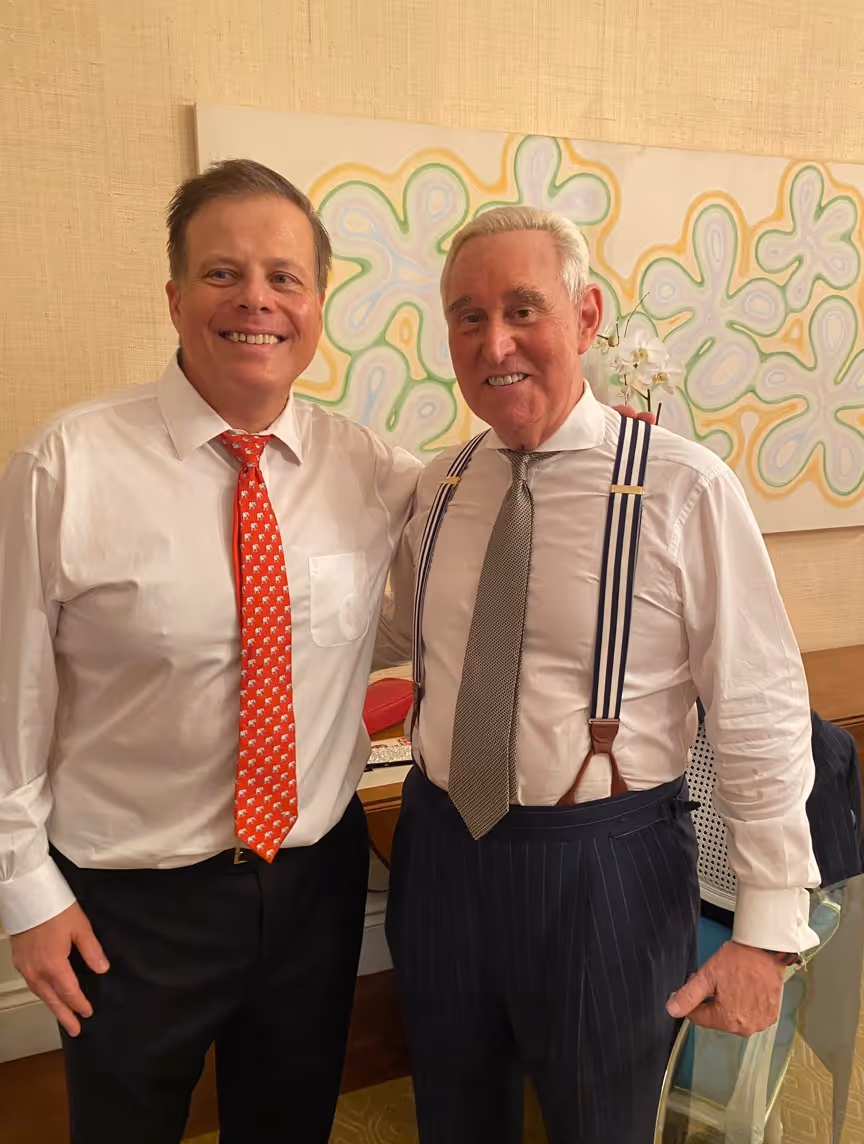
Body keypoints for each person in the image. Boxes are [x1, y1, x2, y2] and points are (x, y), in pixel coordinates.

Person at [377, 206, 820, 1144]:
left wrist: (766, 928)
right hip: (440, 850)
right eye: (467, 316)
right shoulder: (437, 486)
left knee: (600, 1126)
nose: (495, 342)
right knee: (451, 1115)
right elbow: (374, 630)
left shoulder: (684, 487)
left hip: (603, 870)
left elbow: (760, 705)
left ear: (584, 317)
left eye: (523, 309)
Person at [0, 159, 420, 1144]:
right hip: (127, 909)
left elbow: (413, 602)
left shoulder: (370, 469)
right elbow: (9, 704)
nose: (256, 301)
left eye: (284, 276)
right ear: (177, 295)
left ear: (318, 303)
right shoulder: (64, 466)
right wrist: (26, 895)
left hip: (312, 882)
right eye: (223, 273)